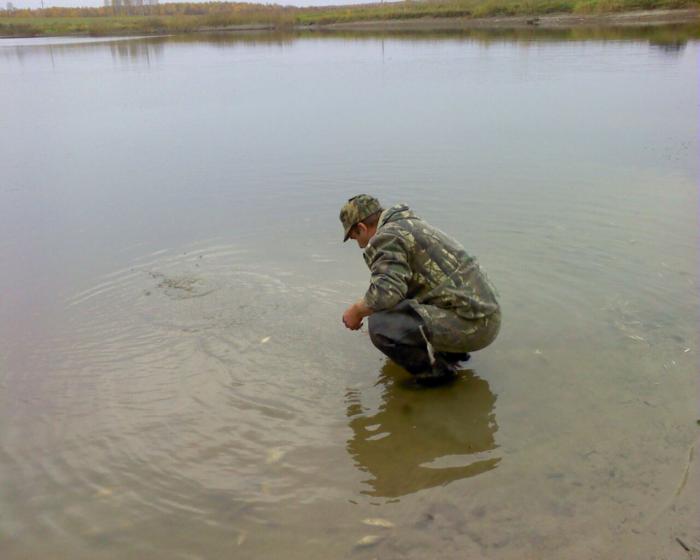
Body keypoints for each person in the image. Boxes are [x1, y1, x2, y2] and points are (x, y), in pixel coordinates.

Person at [340, 194, 501, 382]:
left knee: (381, 325)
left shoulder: (386, 237)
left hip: (477, 325)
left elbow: (386, 294)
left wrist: (357, 311)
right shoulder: (407, 225)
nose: (360, 245)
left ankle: (437, 376)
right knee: (395, 311)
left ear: (361, 227)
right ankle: (453, 354)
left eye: (355, 238)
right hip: (483, 314)